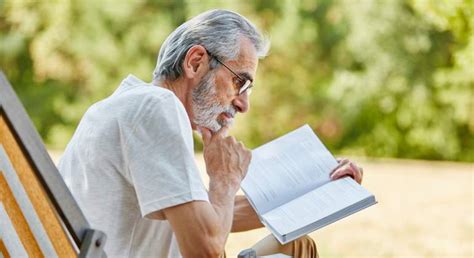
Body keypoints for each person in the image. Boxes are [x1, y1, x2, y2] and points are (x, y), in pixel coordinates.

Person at [58, 9, 363, 258]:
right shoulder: (157, 107)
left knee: (296, 243)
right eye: (239, 82)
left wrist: (322, 187)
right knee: (299, 249)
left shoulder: (129, 105)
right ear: (195, 62)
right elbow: (205, 250)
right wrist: (225, 178)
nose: (243, 103)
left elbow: (203, 210)